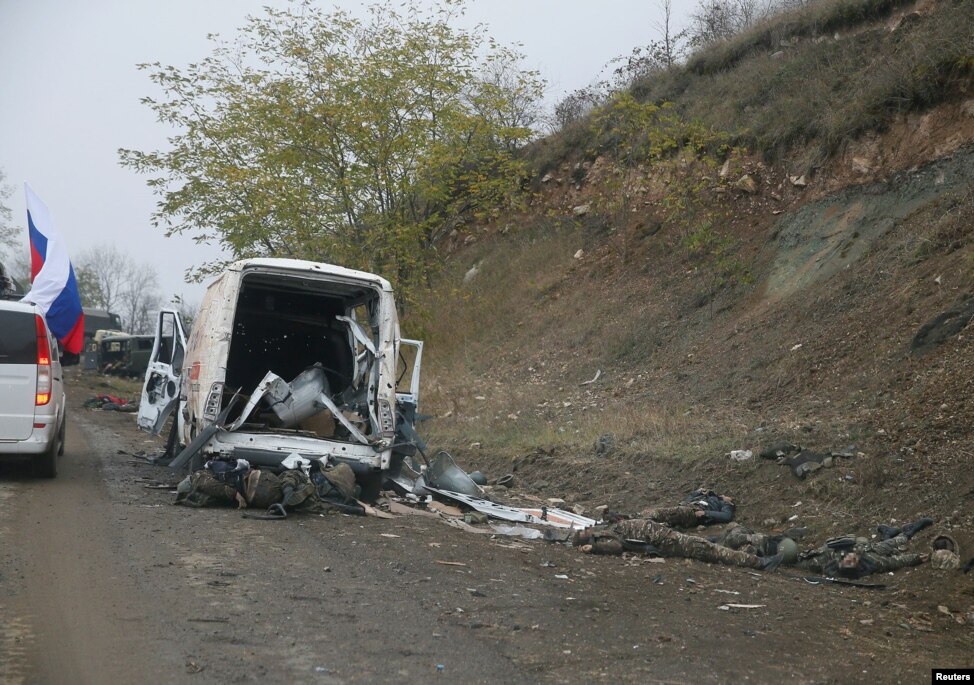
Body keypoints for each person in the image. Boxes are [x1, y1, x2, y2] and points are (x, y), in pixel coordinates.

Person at [572, 518, 784, 571]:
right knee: (714, 550)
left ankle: (753, 555)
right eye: (583, 532)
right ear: (587, 539)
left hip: (670, 537)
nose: (586, 528)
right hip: (670, 542)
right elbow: (616, 548)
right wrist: (595, 548)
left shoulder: (605, 530)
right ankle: (760, 563)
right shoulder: (603, 540)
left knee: (714, 548)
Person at [798, 518, 933, 579]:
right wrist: (917, 558)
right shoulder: (873, 562)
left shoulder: (813, 559)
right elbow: (896, 562)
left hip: (861, 549)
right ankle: (901, 532)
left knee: (889, 544)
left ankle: (904, 532)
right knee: (890, 549)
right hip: (863, 556)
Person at [614, 488, 736, 528]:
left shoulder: (724, 504)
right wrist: (698, 492)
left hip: (693, 513)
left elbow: (726, 517)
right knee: (659, 518)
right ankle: (628, 521)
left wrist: (705, 513)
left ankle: (627, 518)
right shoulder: (707, 496)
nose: (724, 495)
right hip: (685, 508)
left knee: (658, 513)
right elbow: (687, 500)